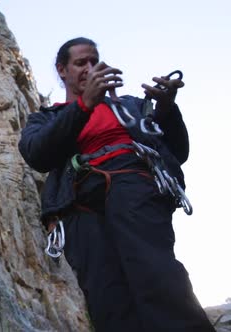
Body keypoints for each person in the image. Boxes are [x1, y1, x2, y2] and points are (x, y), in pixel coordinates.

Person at [18, 37, 215, 331]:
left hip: (132, 181)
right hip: (76, 204)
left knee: (156, 275)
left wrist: (166, 110)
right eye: (81, 62)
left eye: (94, 61)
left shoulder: (132, 106)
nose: (90, 67)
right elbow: (37, 154)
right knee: (106, 297)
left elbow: (178, 151)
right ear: (62, 70)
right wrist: (84, 106)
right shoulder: (47, 117)